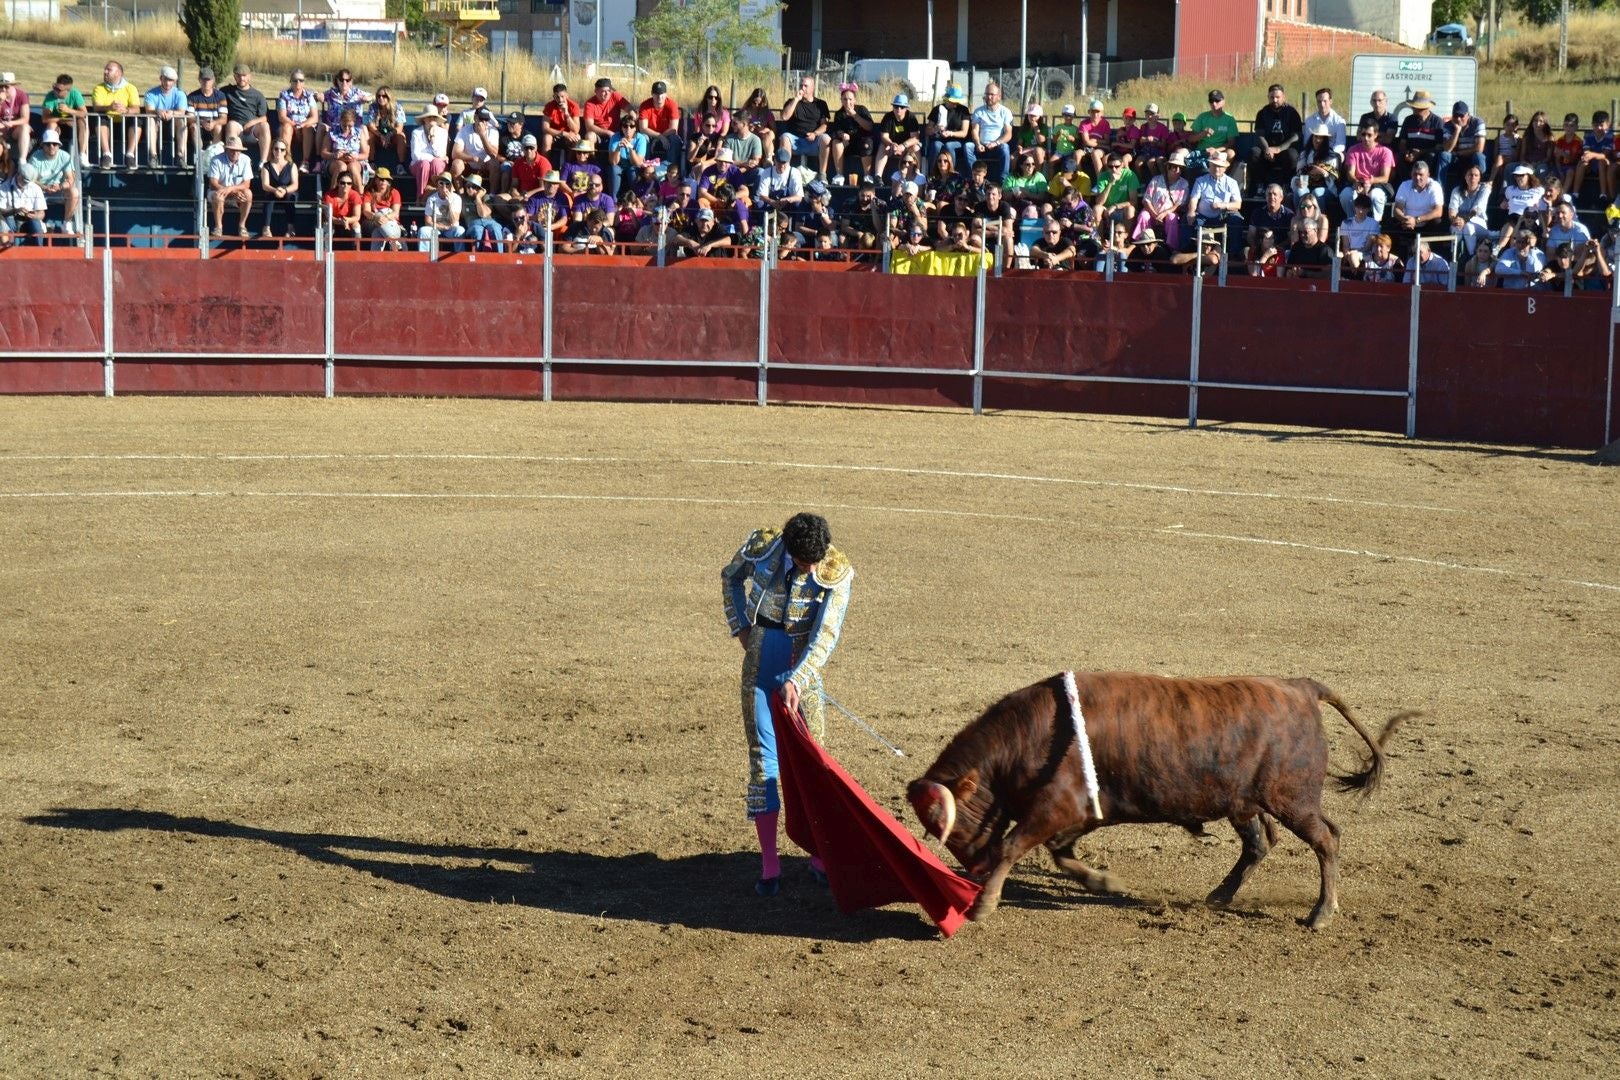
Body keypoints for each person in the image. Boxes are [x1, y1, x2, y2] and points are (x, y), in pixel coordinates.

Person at [720, 513, 853, 897]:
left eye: (815, 562)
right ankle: (770, 866)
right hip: (760, 665)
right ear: (788, 549)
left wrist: (798, 678)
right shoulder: (764, 547)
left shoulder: (836, 569)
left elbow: (825, 635)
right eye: (802, 562)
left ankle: (818, 856)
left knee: (814, 762)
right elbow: (730, 577)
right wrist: (741, 627)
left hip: (802, 668)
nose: (810, 569)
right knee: (763, 764)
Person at [1248, 83, 1302, 194]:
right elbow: (1259, 134)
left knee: (1293, 155)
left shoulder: (1292, 113)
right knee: (1254, 153)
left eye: (1278, 97)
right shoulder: (1262, 113)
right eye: (1272, 97)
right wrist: (1267, 149)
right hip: (1267, 152)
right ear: (1268, 97)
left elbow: (1296, 136)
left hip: (1284, 151)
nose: (1275, 100)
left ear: (1283, 97)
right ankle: (1259, 186)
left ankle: (1287, 186)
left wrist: (1279, 149)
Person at [24, 128, 78, 234]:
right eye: (48, 144)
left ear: (59, 145)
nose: (51, 146)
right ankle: (39, 221)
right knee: (28, 189)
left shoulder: (65, 156)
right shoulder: (35, 157)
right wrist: (44, 187)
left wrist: (60, 186)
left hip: (59, 190)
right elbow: (30, 179)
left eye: (54, 144)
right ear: (43, 145)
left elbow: (71, 179)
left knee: (74, 192)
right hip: (40, 191)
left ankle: (66, 223)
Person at [777, 75, 832, 179]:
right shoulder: (792, 102)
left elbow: (824, 126)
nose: (802, 88)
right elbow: (784, 117)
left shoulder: (820, 104)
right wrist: (796, 99)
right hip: (795, 141)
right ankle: (785, 174)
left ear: (812, 88)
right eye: (801, 85)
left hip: (814, 141)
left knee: (826, 138)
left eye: (806, 86)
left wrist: (815, 134)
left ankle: (822, 174)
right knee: (784, 137)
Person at [90, 60, 142, 168]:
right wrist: (109, 107)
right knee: (100, 118)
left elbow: (136, 109)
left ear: (118, 73)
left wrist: (126, 110)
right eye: (105, 69)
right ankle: (106, 155)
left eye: (109, 70)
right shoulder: (98, 88)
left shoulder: (130, 88)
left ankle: (130, 155)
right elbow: (96, 107)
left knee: (137, 120)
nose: (105, 72)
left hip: (124, 124)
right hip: (107, 124)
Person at [1340, 122, 1395, 220]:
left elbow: (1385, 177)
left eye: (1369, 135)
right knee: (1346, 194)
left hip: (1377, 186)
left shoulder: (1385, 152)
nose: (1366, 138)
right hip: (1358, 183)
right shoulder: (1353, 150)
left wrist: (1369, 181)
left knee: (1376, 195)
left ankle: (1375, 223)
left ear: (1376, 135)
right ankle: (1352, 221)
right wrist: (1357, 182)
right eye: (1363, 134)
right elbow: (1350, 173)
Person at [221, 64, 271, 163]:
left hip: (253, 130)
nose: (241, 78)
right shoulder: (227, 91)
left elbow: (264, 118)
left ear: (249, 76)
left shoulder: (258, 95)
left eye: (244, 75)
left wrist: (251, 123)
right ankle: (230, 161)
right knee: (231, 124)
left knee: (265, 126)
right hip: (236, 129)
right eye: (238, 75)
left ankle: (263, 162)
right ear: (234, 76)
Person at [207, 136, 254, 238]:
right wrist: (231, 191)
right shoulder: (216, 160)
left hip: (235, 192)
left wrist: (230, 189)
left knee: (248, 194)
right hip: (218, 191)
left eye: (238, 150)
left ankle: (242, 226)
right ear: (226, 149)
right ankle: (218, 227)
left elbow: (247, 184)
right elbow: (213, 183)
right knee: (218, 196)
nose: (236, 153)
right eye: (233, 150)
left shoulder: (246, 160)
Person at [966, 81, 1014, 181]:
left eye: (992, 94)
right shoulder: (978, 111)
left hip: (997, 147)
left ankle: (1003, 181)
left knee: (1005, 147)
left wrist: (996, 143)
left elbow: (1008, 134)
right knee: (968, 146)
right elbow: (974, 131)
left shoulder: (1005, 112)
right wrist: (978, 144)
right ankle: (974, 178)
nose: (989, 97)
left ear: (999, 96)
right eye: (987, 94)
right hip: (981, 147)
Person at [140, 66, 187, 166]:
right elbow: (149, 110)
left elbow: (182, 112)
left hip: (173, 124)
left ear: (174, 82)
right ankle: (153, 156)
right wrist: (157, 111)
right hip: (156, 122)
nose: (168, 83)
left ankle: (180, 156)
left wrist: (172, 113)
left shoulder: (180, 94)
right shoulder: (151, 93)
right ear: (161, 78)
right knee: (150, 120)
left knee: (182, 122)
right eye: (166, 79)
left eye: (171, 80)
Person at [278, 69, 321, 172]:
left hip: (304, 127)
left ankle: (305, 162)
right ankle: (287, 161)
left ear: (304, 82)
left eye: (301, 80)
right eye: (295, 80)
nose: (298, 82)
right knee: (286, 127)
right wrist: (294, 126)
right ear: (291, 81)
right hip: (290, 125)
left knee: (308, 127)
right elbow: (282, 117)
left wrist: (301, 125)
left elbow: (315, 117)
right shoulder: (284, 95)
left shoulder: (309, 96)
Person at [1395, 91, 1444, 181]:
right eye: (1414, 107)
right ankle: (1406, 183)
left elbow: (1439, 147)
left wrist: (1421, 152)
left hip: (1427, 155)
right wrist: (1406, 153)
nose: (1414, 109)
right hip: (1410, 154)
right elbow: (1402, 142)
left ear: (1426, 108)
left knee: (1431, 156)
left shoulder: (1437, 122)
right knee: (1399, 157)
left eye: (1417, 108)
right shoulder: (1408, 120)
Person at [875, 93, 923, 185]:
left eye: (902, 107)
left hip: (907, 147)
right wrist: (891, 144)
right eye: (896, 106)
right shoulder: (888, 117)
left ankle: (917, 175)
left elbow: (915, 138)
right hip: (892, 147)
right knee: (883, 147)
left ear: (906, 108)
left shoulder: (911, 117)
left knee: (916, 148)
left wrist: (903, 146)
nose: (898, 109)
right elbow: (884, 136)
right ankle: (878, 176)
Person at [1437, 100, 1486, 188]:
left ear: (1468, 115)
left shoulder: (1478, 122)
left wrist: (1459, 153)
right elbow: (1447, 149)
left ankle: (1480, 188)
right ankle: (1439, 190)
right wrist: (1457, 130)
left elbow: (1479, 148)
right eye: (1455, 116)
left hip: (1471, 157)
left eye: (1461, 116)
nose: (1458, 119)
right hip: (1456, 159)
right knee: (1444, 155)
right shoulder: (1448, 125)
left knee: (1479, 156)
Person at [257, 138, 298, 239]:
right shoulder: (266, 166)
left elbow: (295, 185)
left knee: (290, 197)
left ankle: (290, 228)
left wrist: (285, 190)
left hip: (287, 191)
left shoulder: (292, 165)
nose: (279, 151)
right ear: (272, 150)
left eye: (282, 149)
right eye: (276, 149)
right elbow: (265, 185)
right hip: (272, 191)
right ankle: (266, 228)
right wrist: (275, 190)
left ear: (285, 152)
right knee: (268, 197)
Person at [925, 85, 971, 174]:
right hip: (939, 139)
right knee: (936, 145)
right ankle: (932, 174)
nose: (955, 104)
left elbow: (964, 133)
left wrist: (951, 133)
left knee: (949, 146)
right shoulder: (937, 109)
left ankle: (951, 174)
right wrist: (935, 129)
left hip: (957, 141)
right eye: (953, 101)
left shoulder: (963, 110)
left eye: (957, 101)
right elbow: (927, 130)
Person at [1572, 111, 1615, 206]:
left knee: (1601, 162)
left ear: (1608, 125)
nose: (1599, 128)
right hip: (1591, 163)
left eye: (1601, 125)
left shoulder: (1610, 136)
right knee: (1582, 162)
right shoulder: (1588, 135)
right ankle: (1575, 194)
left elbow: (1605, 155)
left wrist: (1592, 154)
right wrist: (1587, 156)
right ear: (1592, 125)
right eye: (1596, 125)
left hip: (1605, 163)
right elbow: (1586, 152)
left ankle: (1603, 194)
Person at [323, 106, 369, 190]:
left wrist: (355, 156)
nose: (347, 128)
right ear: (340, 121)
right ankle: (332, 192)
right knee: (341, 167)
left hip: (355, 161)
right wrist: (335, 155)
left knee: (353, 167)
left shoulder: (359, 132)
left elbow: (365, 154)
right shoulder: (332, 132)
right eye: (344, 125)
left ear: (354, 123)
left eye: (350, 126)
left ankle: (360, 193)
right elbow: (324, 153)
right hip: (336, 161)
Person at [187, 68, 228, 160]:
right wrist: (202, 122)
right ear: (199, 80)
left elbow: (224, 119)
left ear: (213, 80)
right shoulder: (192, 97)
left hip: (214, 126)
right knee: (193, 126)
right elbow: (189, 117)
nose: (206, 82)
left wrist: (213, 123)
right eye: (204, 80)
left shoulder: (220, 96)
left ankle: (213, 154)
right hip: (198, 125)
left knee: (218, 127)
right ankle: (199, 154)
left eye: (208, 80)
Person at [638, 80, 683, 165]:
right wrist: (659, 136)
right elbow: (643, 128)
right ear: (652, 94)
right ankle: (644, 167)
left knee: (674, 139)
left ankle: (670, 168)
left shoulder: (672, 105)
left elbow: (673, 129)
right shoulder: (644, 105)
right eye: (656, 94)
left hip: (667, 135)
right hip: (650, 135)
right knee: (643, 138)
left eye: (662, 93)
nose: (659, 96)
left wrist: (660, 137)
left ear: (666, 94)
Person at [418, 171, 465, 251]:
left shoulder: (456, 198)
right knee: (423, 230)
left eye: (447, 183)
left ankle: (459, 257)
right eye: (441, 183)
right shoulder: (431, 199)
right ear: (437, 184)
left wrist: (450, 203)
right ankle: (424, 257)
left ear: (451, 186)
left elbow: (455, 221)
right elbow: (427, 222)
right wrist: (443, 227)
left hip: (451, 229)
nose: (444, 186)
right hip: (436, 228)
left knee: (460, 230)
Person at [362, 168, 403, 250]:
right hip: (372, 221)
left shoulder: (394, 192)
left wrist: (386, 217)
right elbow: (366, 211)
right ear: (376, 180)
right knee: (379, 215)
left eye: (386, 179)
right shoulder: (369, 192)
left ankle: (375, 256)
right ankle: (393, 241)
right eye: (381, 179)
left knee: (377, 233)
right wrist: (376, 217)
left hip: (391, 223)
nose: (384, 181)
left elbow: (395, 212)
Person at [365, 86, 407, 167]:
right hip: (378, 135)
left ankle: (401, 165)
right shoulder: (373, 107)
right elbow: (371, 125)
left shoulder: (397, 107)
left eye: (384, 96)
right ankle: (371, 162)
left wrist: (388, 135)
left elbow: (400, 127)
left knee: (401, 136)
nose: (381, 98)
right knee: (369, 135)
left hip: (392, 135)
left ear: (389, 97)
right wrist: (381, 136)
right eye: (378, 96)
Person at [410, 110, 449, 194]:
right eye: (429, 116)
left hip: (437, 164)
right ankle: (420, 196)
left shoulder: (443, 132)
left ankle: (439, 195)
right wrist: (434, 158)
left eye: (434, 117)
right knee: (425, 164)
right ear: (424, 119)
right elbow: (416, 156)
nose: (432, 119)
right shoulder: (416, 132)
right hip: (418, 165)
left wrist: (433, 139)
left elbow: (440, 154)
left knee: (436, 163)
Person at [0, 72, 31, 166]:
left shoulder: (21, 95)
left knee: (25, 127)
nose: (3, 89)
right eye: (1, 86)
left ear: (13, 85)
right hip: (1, 129)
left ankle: (22, 161)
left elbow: (25, 118)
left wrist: (12, 123)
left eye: (7, 86)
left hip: (15, 129)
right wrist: (0, 101)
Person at [322, 172, 363, 244]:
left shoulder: (355, 195)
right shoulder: (329, 196)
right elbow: (328, 217)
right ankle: (326, 249)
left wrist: (347, 220)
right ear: (338, 183)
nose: (345, 185)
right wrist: (341, 221)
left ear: (351, 185)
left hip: (348, 221)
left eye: (349, 183)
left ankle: (357, 248)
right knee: (327, 225)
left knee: (356, 225)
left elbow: (357, 217)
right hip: (333, 221)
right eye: (342, 183)